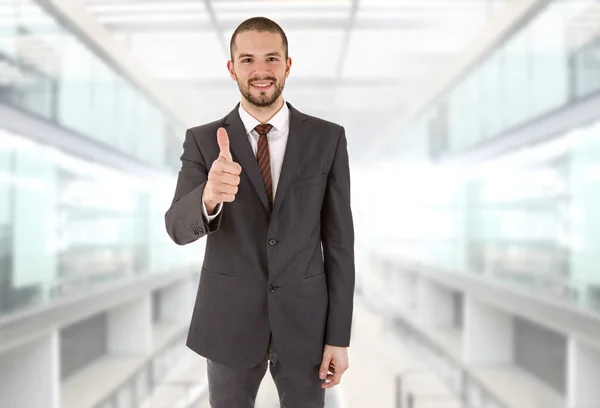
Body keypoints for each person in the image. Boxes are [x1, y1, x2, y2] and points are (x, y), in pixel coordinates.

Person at [165, 16, 355, 408]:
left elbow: (339, 244)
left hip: (306, 324)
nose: (261, 71)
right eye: (248, 60)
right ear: (232, 68)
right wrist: (208, 197)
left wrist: (339, 336)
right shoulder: (203, 141)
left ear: (288, 64)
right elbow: (176, 228)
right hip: (228, 322)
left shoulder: (327, 138)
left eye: (271, 58)